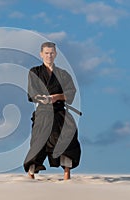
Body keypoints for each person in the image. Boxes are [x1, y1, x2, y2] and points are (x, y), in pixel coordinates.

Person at [23, 42, 81, 180]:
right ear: (41, 54)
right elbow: (32, 94)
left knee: (68, 137)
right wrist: (43, 99)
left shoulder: (63, 74)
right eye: (46, 53)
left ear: (56, 54)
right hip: (43, 112)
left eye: (52, 53)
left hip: (60, 111)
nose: (49, 56)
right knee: (38, 142)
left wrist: (56, 97)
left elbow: (70, 94)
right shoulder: (35, 72)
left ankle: (67, 173)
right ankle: (31, 174)